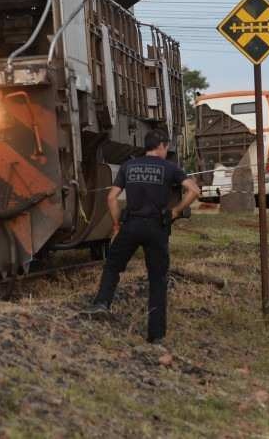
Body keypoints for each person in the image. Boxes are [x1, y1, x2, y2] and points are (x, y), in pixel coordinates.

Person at [82, 130, 200, 344]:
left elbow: (111, 198)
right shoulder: (170, 168)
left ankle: (101, 303)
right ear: (162, 146)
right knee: (157, 279)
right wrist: (176, 210)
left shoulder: (129, 166)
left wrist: (116, 224)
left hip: (131, 225)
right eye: (166, 147)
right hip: (157, 227)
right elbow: (194, 190)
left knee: (113, 266)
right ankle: (156, 335)